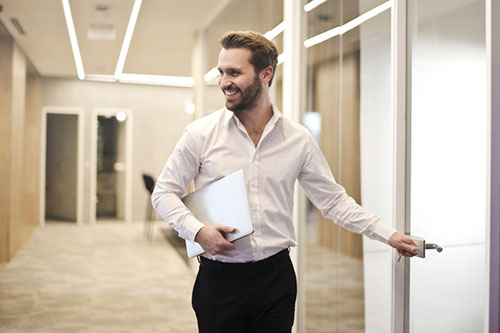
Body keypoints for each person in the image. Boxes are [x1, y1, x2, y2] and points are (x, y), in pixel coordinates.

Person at [152, 30, 418, 333]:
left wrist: (388, 234)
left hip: (275, 279)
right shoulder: (200, 134)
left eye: (235, 72)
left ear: (266, 74)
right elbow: (164, 193)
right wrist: (197, 231)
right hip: (219, 281)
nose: (224, 81)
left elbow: (333, 201)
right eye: (222, 72)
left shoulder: (297, 139)